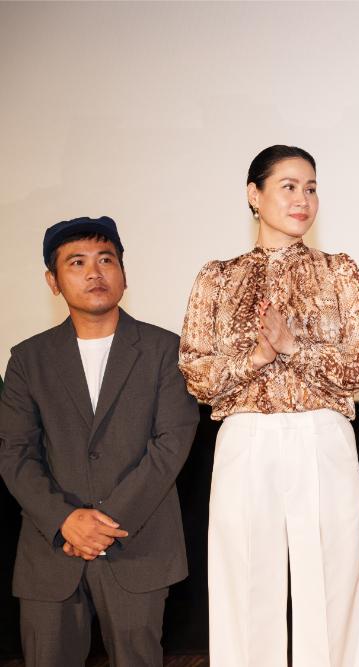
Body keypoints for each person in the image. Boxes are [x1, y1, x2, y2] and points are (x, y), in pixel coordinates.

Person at [179, 145, 359, 667]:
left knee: (333, 583)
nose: (302, 199)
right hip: (247, 436)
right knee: (244, 585)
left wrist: (293, 348)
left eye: (311, 188)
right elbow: (196, 374)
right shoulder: (217, 277)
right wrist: (257, 357)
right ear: (254, 194)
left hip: (322, 432)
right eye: (288, 186)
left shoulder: (339, 271)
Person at [0, 216, 199, 666]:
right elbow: (15, 453)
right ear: (53, 282)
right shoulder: (28, 359)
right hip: (51, 549)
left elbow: (171, 444)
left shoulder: (166, 351)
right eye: (77, 263)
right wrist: (65, 520)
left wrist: (102, 526)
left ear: (124, 273)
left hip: (137, 545)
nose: (95, 272)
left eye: (106, 260)